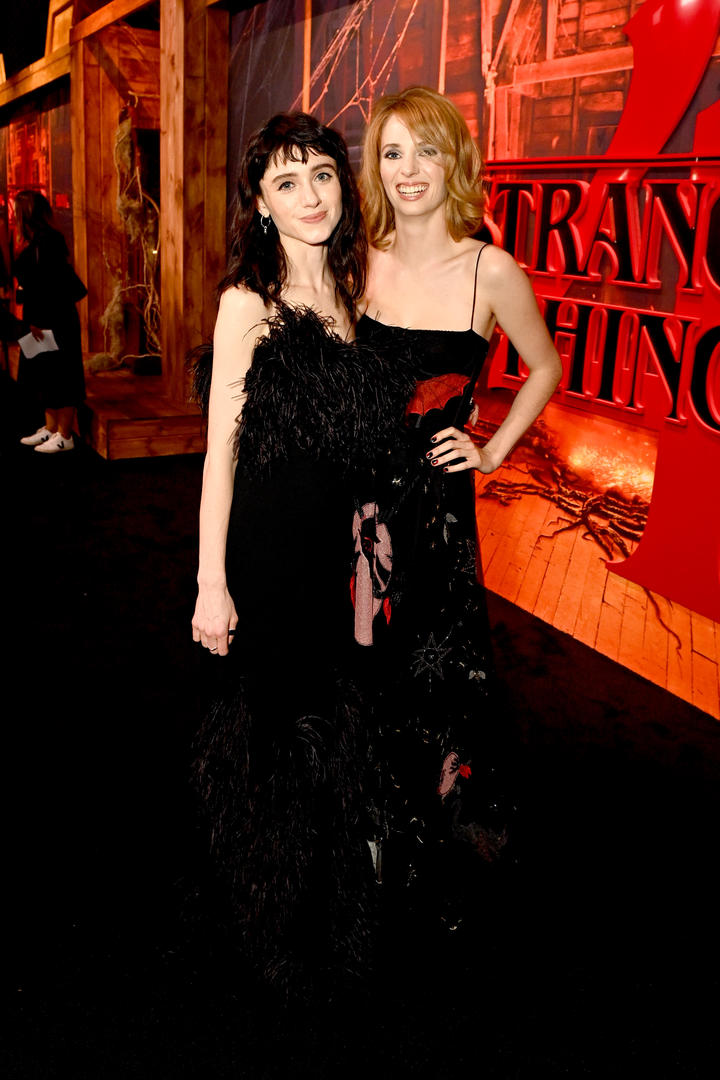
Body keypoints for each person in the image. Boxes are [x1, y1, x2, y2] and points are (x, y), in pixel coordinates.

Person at [190, 113, 413, 996]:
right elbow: (220, 454)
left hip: (340, 557)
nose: (310, 195)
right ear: (260, 203)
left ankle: (330, 904)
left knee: (338, 722)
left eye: (322, 174)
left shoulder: (358, 293)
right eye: (286, 182)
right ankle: (268, 921)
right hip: (270, 553)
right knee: (273, 736)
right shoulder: (248, 303)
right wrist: (211, 583)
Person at [357, 86, 563, 924]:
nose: (408, 169)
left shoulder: (490, 269)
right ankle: (370, 825)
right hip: (355, 505)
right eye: (392, 152)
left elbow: (544, 367)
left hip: (434, 511)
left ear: (455, 163)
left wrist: (492, 447)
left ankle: (433, 835)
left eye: (427, 150)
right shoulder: (358, 260)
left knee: (433, 673)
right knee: (362, 663)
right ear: (376, 167)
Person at [14, 191, 86, 453]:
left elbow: (57, 283)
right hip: (40, 318)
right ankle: (51, 427)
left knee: (62, 375)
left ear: (26, 214)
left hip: (55, 319)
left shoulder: (49, 241)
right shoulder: (37, 241)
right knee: (44, 374)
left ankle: (65, 434)